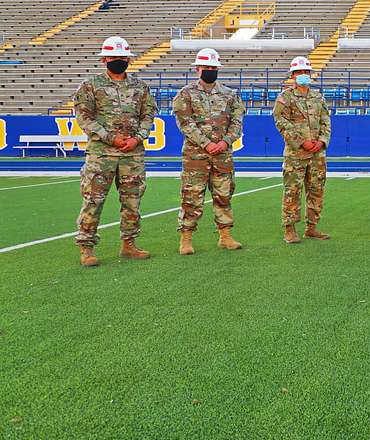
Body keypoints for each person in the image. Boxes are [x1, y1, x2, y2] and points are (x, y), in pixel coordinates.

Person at [72, 36, 156, 267]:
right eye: (113, 57)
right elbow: (84, 118)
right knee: (93, 200)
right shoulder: (90, 86)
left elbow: (148, 116)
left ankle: (129, 244)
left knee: (132, 201)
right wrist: (111, 138)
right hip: (101, 155)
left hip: (132, 155)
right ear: (104, 59)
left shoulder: (140, 87)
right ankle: (87, 247)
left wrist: (137, 138)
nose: (118, 60)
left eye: (122, 57)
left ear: (128, 58)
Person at [172, 48, 245, 255]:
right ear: (197, 69)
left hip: (222, 155)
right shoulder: (185, 94)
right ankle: (186, 239)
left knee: (224, 195)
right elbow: (185, 123)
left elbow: (237, 123)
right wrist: (206, 143)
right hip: (195, 157)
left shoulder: (230, 95)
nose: (210, 71)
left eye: (213, 68)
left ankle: (225, 236)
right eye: (206, 67)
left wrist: (225, 142)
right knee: (191, 197)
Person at [272, 56, 331, 244]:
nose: (303, 75)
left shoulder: (318, 97)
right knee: (292, 191)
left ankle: (312, 227)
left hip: (317, 154)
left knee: (316, 190)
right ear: (293, 75)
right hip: (295, 154)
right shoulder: (285, 97)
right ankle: (289, 229)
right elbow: (280, 122)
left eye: (306, 72)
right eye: (299, 72)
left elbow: (326, 121)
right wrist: (301, 142)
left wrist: (321, 141)